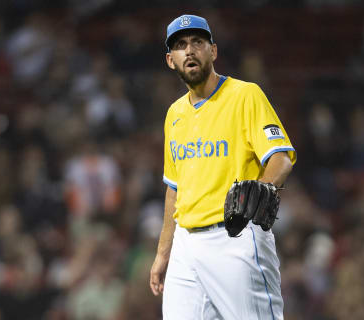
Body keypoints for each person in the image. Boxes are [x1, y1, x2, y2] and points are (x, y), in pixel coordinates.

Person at [149, 15, 296, 320]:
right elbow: (173, 188)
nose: (189, 50)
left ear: (213, 51)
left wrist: (263, 187)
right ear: (170, 60)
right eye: (180, 45)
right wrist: (164, 252)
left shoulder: (245, 95)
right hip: (186, 248)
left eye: (197, 42)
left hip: (236, 238)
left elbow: (280, 158)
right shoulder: (174, 114)